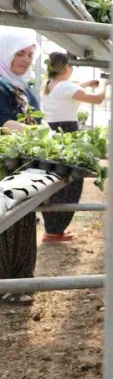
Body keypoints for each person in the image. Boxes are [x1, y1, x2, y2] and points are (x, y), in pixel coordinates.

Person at [39, 52, 108, 242]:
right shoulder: (66, 87)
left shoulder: (47, 85)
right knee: (71, 181)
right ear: (64, 67)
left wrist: (86, 83)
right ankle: (54, 230)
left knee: (55, 180)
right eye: (70, 65)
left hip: (51, 135)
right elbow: (98, 99)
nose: (72, 68)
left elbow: (67, 90)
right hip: (68, 134)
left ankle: (53, 228)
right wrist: (103, 84)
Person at [0, 29, 42, 304]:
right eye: (20, 53)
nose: (26, 60)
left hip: (22, 164)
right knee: (5, 221)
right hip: (3, 164)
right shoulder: (0, 85)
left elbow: (38, 119)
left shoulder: (24, 88)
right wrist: (38, 133)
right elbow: (4, 123)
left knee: (24, 218)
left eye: (30, 55)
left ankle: (20, 281)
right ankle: (4, 282)